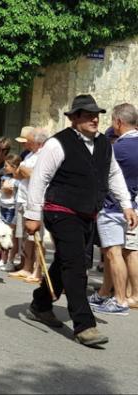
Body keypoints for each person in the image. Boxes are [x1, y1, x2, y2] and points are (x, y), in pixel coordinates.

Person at [24, 94, 138, 347]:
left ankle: (40, 303)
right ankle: (84, 325)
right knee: (76, 264)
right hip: (60, 209)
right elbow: (39, 178)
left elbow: (114, 175)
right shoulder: (57, 144)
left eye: (96, 114)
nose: (94, 119)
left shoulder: (105, 144)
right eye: (87, 115)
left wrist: (126, 206)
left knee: (71, 259)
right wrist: (32, 215)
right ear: (74, 118)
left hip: (87, 212)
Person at [90, 103, 138, 315]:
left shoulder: (116, 149)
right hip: (132, 205)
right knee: (126, 252)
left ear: (118, 122)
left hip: (113, 205)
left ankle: (119, 299)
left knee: (113, 252)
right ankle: (110, 293)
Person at [8, 127, 49, 279]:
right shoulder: (30, 154)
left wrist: (23, 169)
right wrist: (23, 170)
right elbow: (18, 174)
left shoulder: (43, 155)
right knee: (27, 237)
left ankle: (37, 270)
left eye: (29, 141)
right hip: (24, 198)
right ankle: (27, 267)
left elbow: (34, 175)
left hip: (36, 201)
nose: (26, 144)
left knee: (37, 237)